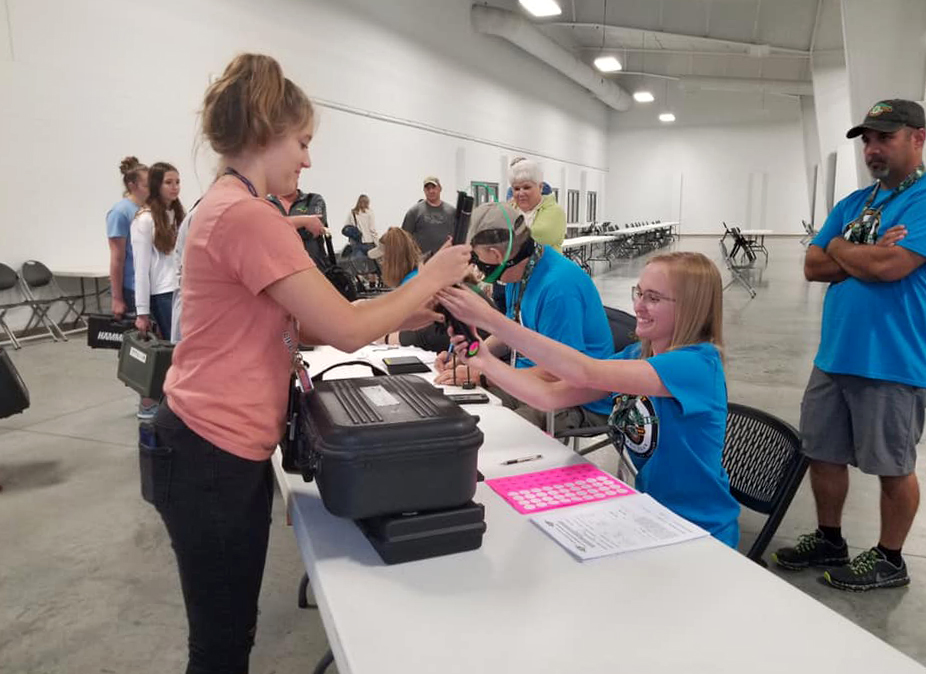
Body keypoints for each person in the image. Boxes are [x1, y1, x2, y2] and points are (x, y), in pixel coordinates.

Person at [151, 53, 470, 674]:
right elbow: (346, 331)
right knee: (220, 650)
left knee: (225, 640)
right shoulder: (248, 216)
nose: (307, 157)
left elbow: (301, 319)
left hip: (206, 446)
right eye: (301, 141)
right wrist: (427, 274)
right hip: (211, 452)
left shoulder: (228, 205)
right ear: (266, 131)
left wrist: (406, 313)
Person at [439, 251, 740, 547]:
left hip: (701, 531)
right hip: (655, 518)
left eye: (654, 298)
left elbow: (585, 370)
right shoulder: (637, 355)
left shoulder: (697, 366)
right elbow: (550, 396)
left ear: (690, 308)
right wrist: (483, 360)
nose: (638, 306)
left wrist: (492, 320)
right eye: (639, 293)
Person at [772, 99, 926, 591]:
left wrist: (840, 246)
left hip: (892, 359)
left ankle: (890, 557)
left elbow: (890, 268)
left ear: (918, 137)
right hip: (834, 355)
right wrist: (855, 250)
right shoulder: (852, 203)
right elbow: (811, 266)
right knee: (824, 452)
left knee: (892, 465)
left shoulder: (923, 200)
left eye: (885, 137)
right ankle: (830, 538)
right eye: (868, 140)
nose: (873, 149)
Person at [435, 202, 613, 433]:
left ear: (495, 255)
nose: (476, 268)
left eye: (476, 260)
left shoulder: (558, 287)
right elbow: (509, 332)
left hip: (578, 397)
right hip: (533, 378)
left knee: (499, 434)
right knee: (457, 413)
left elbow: (560, 373)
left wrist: (484, 374)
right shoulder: (521, 271)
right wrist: (469, 356)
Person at [371, 227, 455, 352]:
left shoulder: (412, 286)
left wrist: (384, 337)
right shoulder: (412, 279)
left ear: (388, 261)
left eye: (381, 260)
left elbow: (417, 332)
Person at [131, 162, 185, 340]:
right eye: (168, 182)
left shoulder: (178, 214)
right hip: (162, 294)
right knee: (174, 348)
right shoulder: (144, 220)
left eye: (177, 182)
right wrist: (142, 312)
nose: (175, 187)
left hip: (181, 289)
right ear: (156, 185)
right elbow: (141, 270)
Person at [106, 157, 148, 317]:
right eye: (146, 185)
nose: (152, 188)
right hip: (132, 286)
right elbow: (117, 258)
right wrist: (117, 298)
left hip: (149, 284)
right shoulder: (120, 213)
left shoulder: (150, 208)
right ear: (132, 185)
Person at [508, 157, 566, 252]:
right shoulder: (509, 209)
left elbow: (537, 236)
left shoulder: (555, 211)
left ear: (540, 187)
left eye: (526, 187)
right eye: (516, 189)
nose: (521, 193)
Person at [401, 176, 455, 257]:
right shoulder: (414, 212)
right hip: (422, 262)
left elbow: (459, 237)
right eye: (428, 188)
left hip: (446, 260)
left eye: (434, 187)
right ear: (424, 190)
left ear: (440, 188)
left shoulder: (452, 211)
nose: (431, 191)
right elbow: (404, 238)